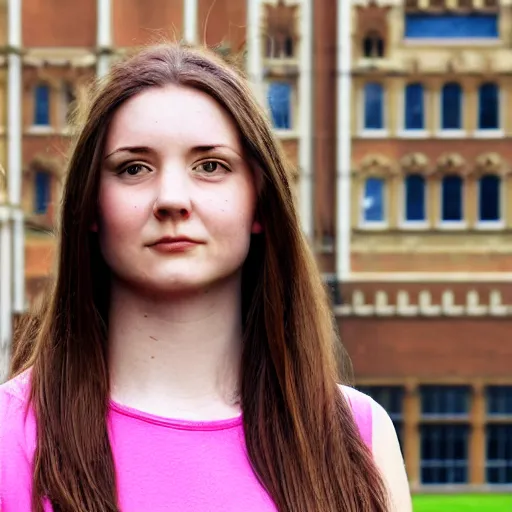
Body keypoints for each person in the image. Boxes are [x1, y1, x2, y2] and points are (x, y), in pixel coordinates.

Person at [0, 44, 411, 512]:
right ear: (91, 205)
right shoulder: (9, 437)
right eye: (134, 168)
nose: (172, 198)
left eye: (210, 166)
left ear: (259, 200)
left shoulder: (356, 436)